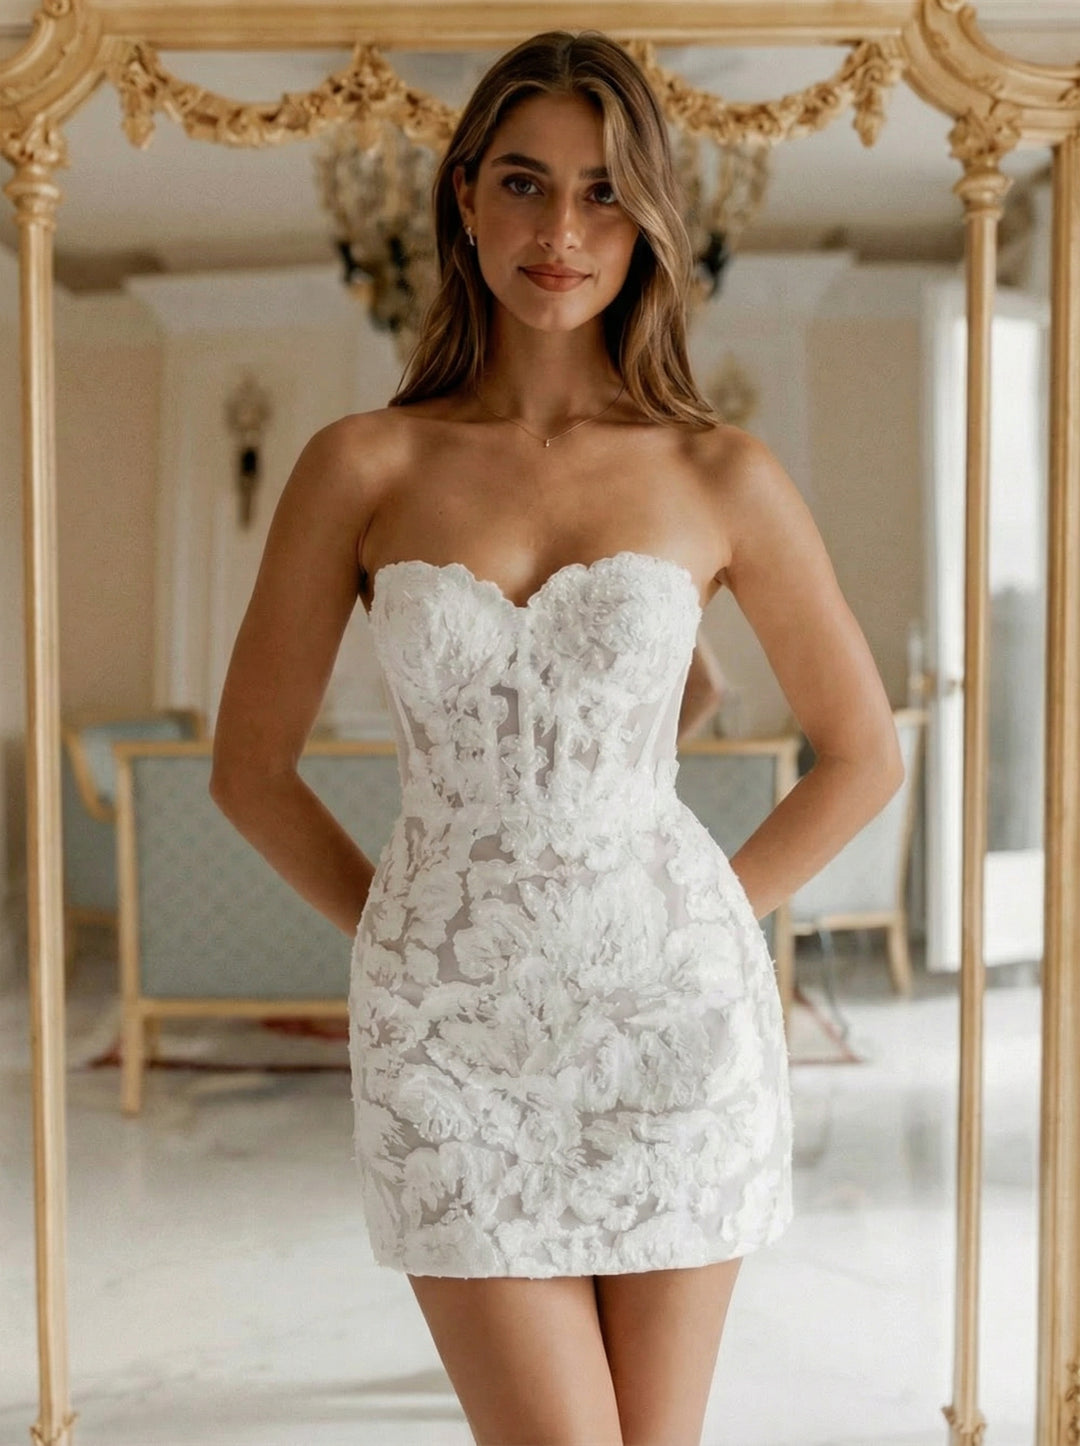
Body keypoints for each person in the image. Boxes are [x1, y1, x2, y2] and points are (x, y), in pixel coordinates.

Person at [210, 28, 904, 1446]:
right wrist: (406, 927)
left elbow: (861, 750)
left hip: (671, 1025)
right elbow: (250, 769)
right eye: (526, 184)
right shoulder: (364, 463)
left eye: (602, 192)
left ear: (648, 218)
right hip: (452, 1051)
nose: (562, 231)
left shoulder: (717, 471)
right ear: (463, 196)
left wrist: (704, 910)